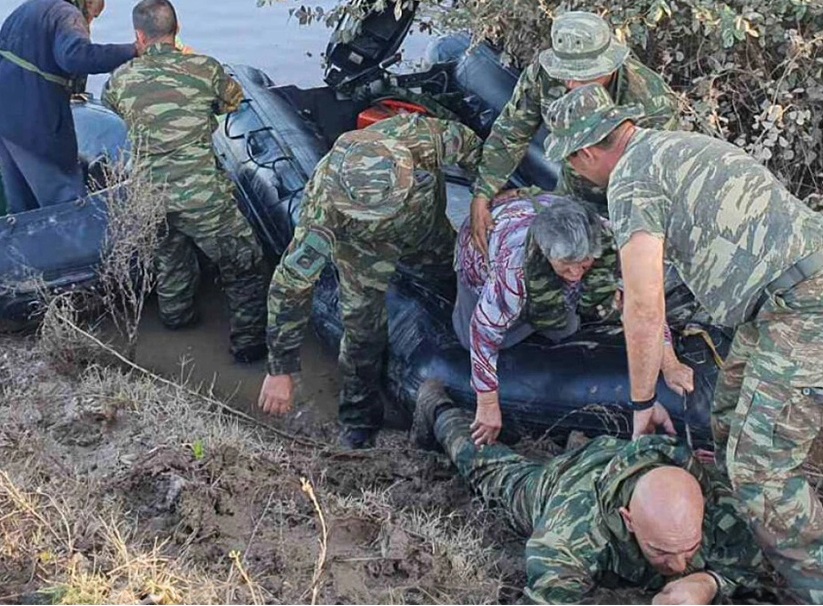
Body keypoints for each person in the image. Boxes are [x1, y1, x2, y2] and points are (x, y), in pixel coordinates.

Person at [542, 83, 823, 604]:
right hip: (784, 298)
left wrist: (641, 402)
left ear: (585, 152)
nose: (577, 174)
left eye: (572, 163)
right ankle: (729, 536)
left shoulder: (630, 182)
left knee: (760, 472)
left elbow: (644, 305)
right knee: (726, 414)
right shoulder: (674, 145)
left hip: (809, 304)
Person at [410, 379, 765, 604]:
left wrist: (706, 582)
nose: (677, 566)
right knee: (493, 472)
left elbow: (754, 566)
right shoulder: (570, 533)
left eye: (690, 549)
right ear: (628, 520)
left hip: (628, 462)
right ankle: (439, 411)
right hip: (561, 482)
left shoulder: (720, 506)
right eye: (661, 552)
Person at [258, 114, 482, 449]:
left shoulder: (422, 137)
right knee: (362, 333)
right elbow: (292, 284)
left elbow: (479, 154)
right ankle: (359, 418)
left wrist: (484, 199)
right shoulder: (325, 205)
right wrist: (280, 367)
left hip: (427, 232)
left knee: (455, 287)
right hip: (363, 250)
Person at [454, 188, 694, 446]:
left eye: (583, 264)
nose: (575, 273)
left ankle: (547, 311)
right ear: (547, 254)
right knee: (481, 338)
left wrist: (669, 362)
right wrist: (487, 402)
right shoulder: (512, 269)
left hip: (545, 219)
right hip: (483, 251)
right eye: (566, 266)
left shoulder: (608, 237)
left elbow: (642, 307)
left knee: (565, 328)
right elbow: (483, 331)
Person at [102, 0, 268, 363]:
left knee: (170, 253)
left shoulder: (121, 77)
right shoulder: (204, 67)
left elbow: (112, 107)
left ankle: (177, 319)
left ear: (139, 36)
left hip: (149, 193)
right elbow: (234, 101)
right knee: (245, 262)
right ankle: (248, 346)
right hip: (201, 194)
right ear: (177, 31)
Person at [468, 10, 679, 253]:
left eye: (582, 75)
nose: (570, 84)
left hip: (630, 207)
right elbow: (512, 131)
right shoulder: (543, 76)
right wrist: (483, 193)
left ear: (609, 65)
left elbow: (658, 185)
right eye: (565, 74)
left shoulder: (651, 99)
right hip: (571, 194)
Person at [0, 0, 139, 214]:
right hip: (38, 120)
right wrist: (133, 50)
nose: (90, 23)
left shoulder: (24, 11)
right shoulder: (66, 14)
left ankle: (30, 246)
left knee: (22, 207)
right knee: (67, 202)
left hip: (7, 122)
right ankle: (78, 243)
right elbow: (76, 56)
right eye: (93, 15)